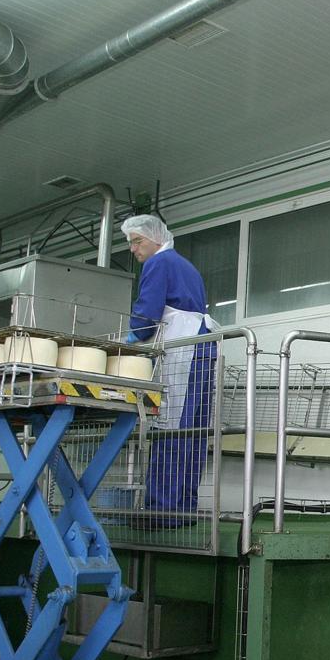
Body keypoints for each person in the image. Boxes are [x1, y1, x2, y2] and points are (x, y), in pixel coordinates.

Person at [123, 214, 218, 521]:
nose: (134, 250)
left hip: (183, 347)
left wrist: (131, 340)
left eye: (138, 241)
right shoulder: (185, 265)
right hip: (203, 343)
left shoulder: (158, 263)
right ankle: (184, 508)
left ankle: (161, 510)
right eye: (131, 243)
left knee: (170, 425)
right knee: (194, 427)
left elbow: (147, 313)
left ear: (157, 239)